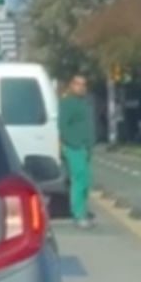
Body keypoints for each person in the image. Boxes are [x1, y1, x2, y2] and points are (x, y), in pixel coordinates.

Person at [59, 73, 96, 228]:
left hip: (86, 147)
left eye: (83, 84)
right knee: (79, 180)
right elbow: (63, 125)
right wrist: (72, 142)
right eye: (77, 84)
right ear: (71, 85)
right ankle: (78, 214)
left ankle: (82, 210)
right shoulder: (68, 103)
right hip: (74, 147)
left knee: (87, 181)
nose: (81, 87)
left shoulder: (85, 103)